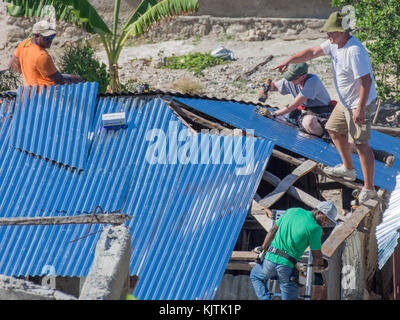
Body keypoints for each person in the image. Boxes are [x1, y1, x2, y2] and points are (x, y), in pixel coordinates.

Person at [274, 11, 378, 205]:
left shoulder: (354, 51)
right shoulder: (334, 45)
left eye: (331, 32)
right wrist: (289, 61)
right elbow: (311, 53)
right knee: (333, 129)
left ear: (342, 31)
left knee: (362, 145)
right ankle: (348, 168)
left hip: (359, 102)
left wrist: (361, 109)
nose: (327, 36)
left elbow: (366, 81)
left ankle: (369, 188)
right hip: (346, 101)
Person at [250, 201, 336, 300]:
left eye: (328, 222)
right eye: (325, 219)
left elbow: (273, 230)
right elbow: (316, 255)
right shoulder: (315, 228)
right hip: (286, 266)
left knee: (255, 276)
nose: (325, 223)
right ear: (318, 212)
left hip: (270, 260)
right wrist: (322, 264)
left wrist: (263, 248)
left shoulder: (292, 211)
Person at [265, 62, 335, 139]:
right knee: (288, 120)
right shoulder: (291, 80)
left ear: (303, 76)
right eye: (289, 77)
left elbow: (294, 105)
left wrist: (274, 114)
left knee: (309, 122)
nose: (291, 81)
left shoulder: (313, 81)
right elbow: (275, 86)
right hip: (308, 112)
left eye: (293, 78)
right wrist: (268, 87)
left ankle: (327, 138)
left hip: (323, 113)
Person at [9, 20, 83, 87]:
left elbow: (13, 64)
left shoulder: (24, 44)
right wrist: (75, 80)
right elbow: (59, 81)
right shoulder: (42, 56)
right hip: (47, 94)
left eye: (52, 36)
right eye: (47, 37)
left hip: (30, 90)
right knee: (78, 80)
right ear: (36, 35)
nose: (50, 40)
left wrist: (31, 74)